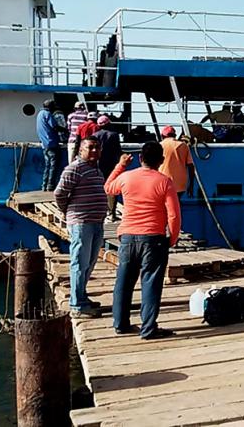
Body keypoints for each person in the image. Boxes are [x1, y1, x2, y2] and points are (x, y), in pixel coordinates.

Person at [104, 142, 181, 340]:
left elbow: (108, 188)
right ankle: (148, 328)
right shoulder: (165, 181)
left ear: (140, 158)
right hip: (153, 238)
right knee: (151, 283)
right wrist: (171, 238)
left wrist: (120, 165)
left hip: (128, 237)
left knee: (123, 282)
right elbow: (173, 215)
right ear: (161, 161)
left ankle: (120, 324)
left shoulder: (126, 177)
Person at [54, 136, 107, 318]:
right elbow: (60, 193)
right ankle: (77, 305)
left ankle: (82, 297)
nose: (94, 151)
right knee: (79, 262)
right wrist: (68, 211)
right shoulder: (74, 169)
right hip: (81, 223)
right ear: (80, 150)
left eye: (97, 148)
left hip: (96, 222)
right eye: (90, 147)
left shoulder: (96, 170)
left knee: (89, 263)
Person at [92, 115, 122, 221]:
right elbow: (118, 151)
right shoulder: (114, 135)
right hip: (111, 165)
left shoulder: (95, 135)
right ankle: (112, 213)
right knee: (112, 189)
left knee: (99, 188)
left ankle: (99, 211)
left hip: (99, 165)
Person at [158, 125, 195, 199]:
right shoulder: (183, 145)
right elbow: (191, 166)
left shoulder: (159, 146)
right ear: (175, 135)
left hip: (162, 182)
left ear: (162, 136)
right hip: (180, 185)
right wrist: (191, 185)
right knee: (176, 204)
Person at [37, 99, 62, 191]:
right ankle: (50, 186)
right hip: (51, 143)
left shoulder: (40, 114)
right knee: (53, 166)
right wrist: (65, 130)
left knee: (47, 166)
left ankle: (44, 185)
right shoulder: (47, 114)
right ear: (50, 106)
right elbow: (55, 126)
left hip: (45, 144)